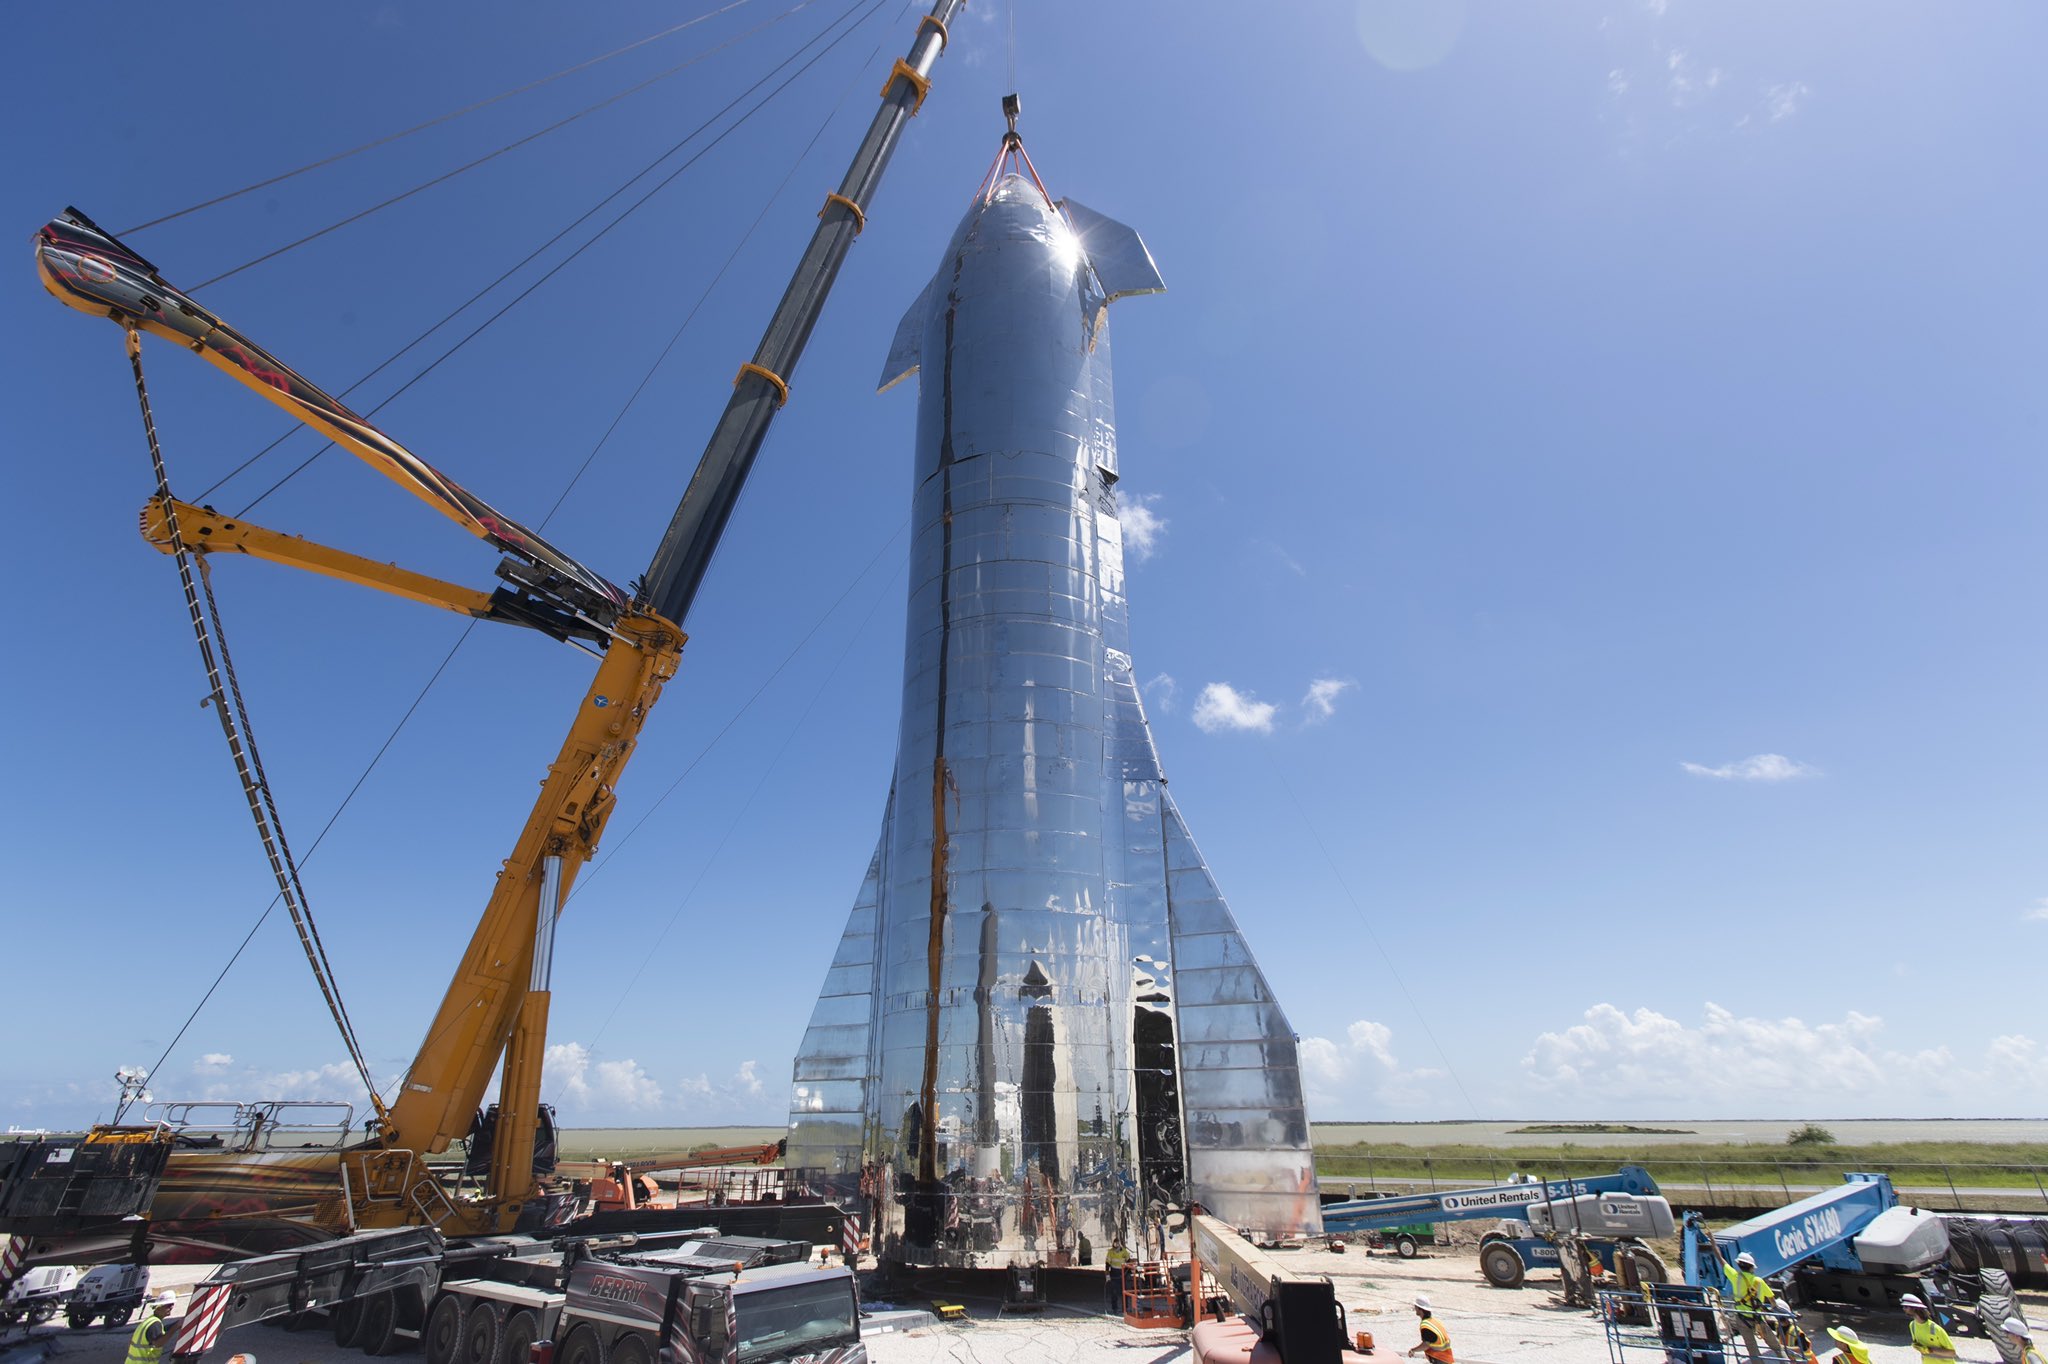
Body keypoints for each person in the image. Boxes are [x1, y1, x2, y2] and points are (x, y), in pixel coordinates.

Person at [1713, 1247, 1783, 1361]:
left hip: (1742, 1319)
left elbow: (1721, 1259)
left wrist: (1712, 1242)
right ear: (1752, 1267)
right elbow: (1772, 1300)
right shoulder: (1759, 1281)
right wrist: (1774, 1309)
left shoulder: (1735, 1277)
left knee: (1752, 1350)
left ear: (1739, 1265)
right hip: (1758, 1318)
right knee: (1776, 1346)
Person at [1899, 1293, 1956, 1361]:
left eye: (1906, 1306)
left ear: (1914, 1308)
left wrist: (1930, 1350)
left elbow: (1952, 1353)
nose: (1903, 1309)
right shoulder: (1912, 1326)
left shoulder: (1935, 1329)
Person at [125, 1293, 177, 1364]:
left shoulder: (150, 1321)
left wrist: (176, 1324)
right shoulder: (155, 1324)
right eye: (168, 1305)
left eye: (172, 1304)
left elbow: (161, 1331)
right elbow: (158, 1343)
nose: (171, 1307)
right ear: (158, 1308)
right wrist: (175, 1328)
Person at [1405, 1296, 1453, 1364]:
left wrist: (1413, 1350)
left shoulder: (1426, 1326)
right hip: (1446, 1358)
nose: (1415, 1309)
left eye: (1416, 1307)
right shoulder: (1434, 1321)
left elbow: (1425, 1345)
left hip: (1439, 1359)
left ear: (1420, 1309)